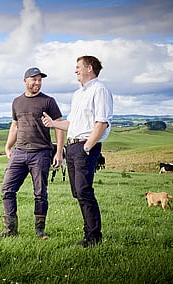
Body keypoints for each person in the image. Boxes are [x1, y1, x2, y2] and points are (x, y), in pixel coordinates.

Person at [42, 55, 113, 247]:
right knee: (77, 192)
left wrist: (88, 146)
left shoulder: (100, 90)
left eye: (78, 67)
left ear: (89, 68)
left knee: (84, 190)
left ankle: (93, 237)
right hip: (72, 146)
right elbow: (72, 124)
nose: (75, 71)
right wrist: (53, 123)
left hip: (84, 147)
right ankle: (89, 233)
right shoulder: (78, 94)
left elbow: (102, 122)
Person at [0, 67, 65, 239]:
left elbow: (59, 126)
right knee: (7, 189)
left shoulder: (49, 101)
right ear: (25, 81)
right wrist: (8, 147)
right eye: (34, 79)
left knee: (40, 192)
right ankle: (10, 230)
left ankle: (40, 230)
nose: (37, 82)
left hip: (41, 153)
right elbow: (15, 126)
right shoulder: (17, 102)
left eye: (40, 80)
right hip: (19, 152)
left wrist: (58, 152)